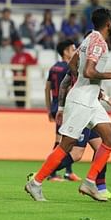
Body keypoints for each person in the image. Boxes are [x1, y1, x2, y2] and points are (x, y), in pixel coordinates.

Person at [24, 8, 111, 202]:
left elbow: (73, 64)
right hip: (81, 100)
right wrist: (110, 75)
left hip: (90, 99)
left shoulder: (89, 39)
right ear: (109, 23)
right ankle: (35, 182)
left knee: (110, 138)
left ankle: (89, 182)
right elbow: (88, 71)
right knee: (67, 145)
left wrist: (87, 86)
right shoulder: (99, 43)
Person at [51, 55, 111, 200]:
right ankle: (43, 174)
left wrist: (107, 99)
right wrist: (61, 108)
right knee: (76, 154)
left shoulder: (87, 65)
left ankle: (101, 188)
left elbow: (92, 88)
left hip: (91, 111)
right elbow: (68, 85)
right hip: (80, 110)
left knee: (101, 146)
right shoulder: (79, 67)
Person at [44, 39, 80, 181]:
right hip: (65, 107)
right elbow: (70, 88)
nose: (75, 51)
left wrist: (48, 110)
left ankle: (68, 172)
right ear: (65, 52)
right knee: (62, 141)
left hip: (54, 106)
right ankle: (52, 173)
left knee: (66, 140)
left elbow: (47, 88)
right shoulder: (68, 68)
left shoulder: (53, 68)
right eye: (72, 49)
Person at [10, 40, 36, 108]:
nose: (16, 48)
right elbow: (12, 67)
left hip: (24, 79)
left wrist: (27, 65)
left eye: (17, 46)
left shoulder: (27, 55)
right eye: (15, 47)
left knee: (24, 97)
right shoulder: (14, 57)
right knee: (17, 97)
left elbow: (34, 62)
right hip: (16, 79)